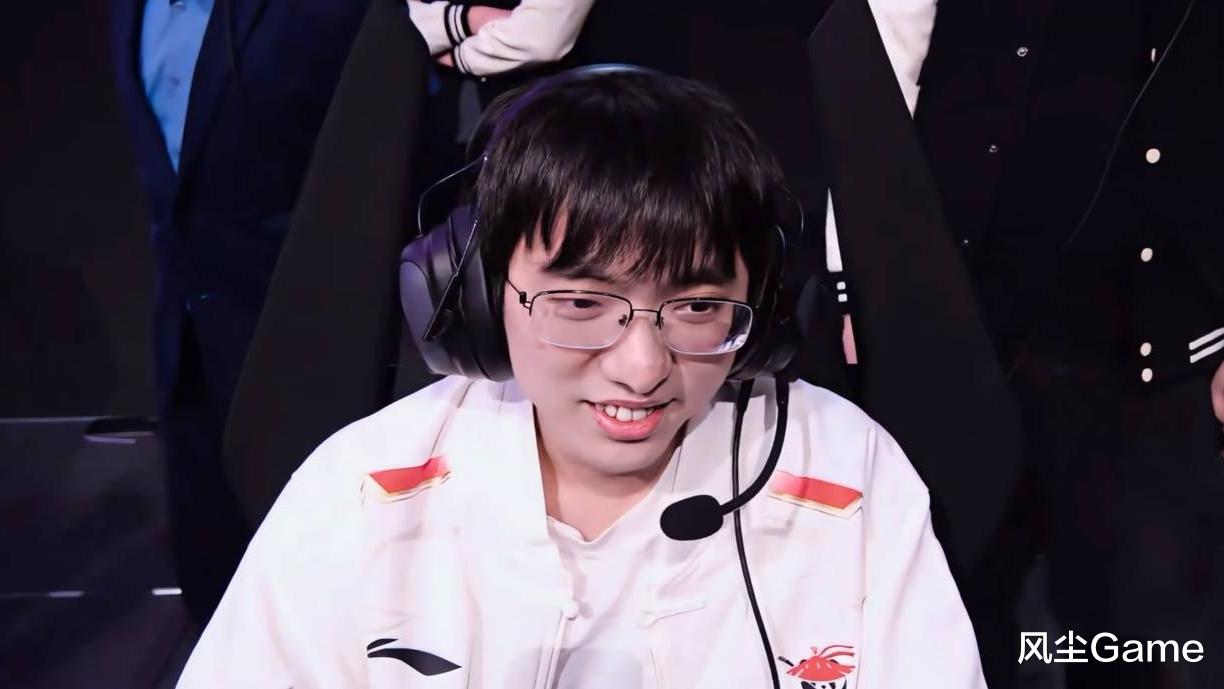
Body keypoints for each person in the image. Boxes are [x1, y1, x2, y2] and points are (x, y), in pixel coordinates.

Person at [176, 68, 985, 688]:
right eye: (581, 302)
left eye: (698, 307)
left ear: (762, 307)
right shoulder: (360, 488)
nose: (642, 368)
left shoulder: (844, 468)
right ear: (478, 294)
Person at [905, 0, 1224, 687]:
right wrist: (860, 275)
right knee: (953, 624)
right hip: (971, 329)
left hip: (1153, 353)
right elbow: (890, 67)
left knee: (1142, 643)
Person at [106, 0, 370, 622]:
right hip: (184, 325)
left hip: (299, 335)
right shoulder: (129, 11)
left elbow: (372, 164)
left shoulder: (327, 13)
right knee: (210, 563)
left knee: (318, 585)